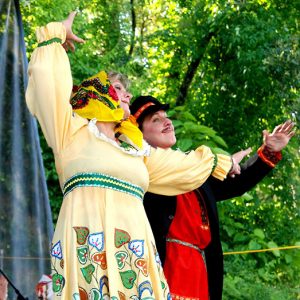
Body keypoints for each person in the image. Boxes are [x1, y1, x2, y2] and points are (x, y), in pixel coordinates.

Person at [25, 13, 241, 299]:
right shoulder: (71, 130)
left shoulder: (136, 149)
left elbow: (182, 163)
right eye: (118, 89)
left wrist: (220, 161)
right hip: (85, 247)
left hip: (132, 255)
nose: (127, 95)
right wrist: (55, 37)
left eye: (128, 91)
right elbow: (47, 84)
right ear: (96, 92)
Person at [130, 95, 295, 300]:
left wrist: (268, 151)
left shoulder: (195, 166)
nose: (167, 121)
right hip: (163, 266)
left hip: (200, 270)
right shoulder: (137, 169)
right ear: (139, 133)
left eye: (166, 116)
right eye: (155, 119)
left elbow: (237, 182)